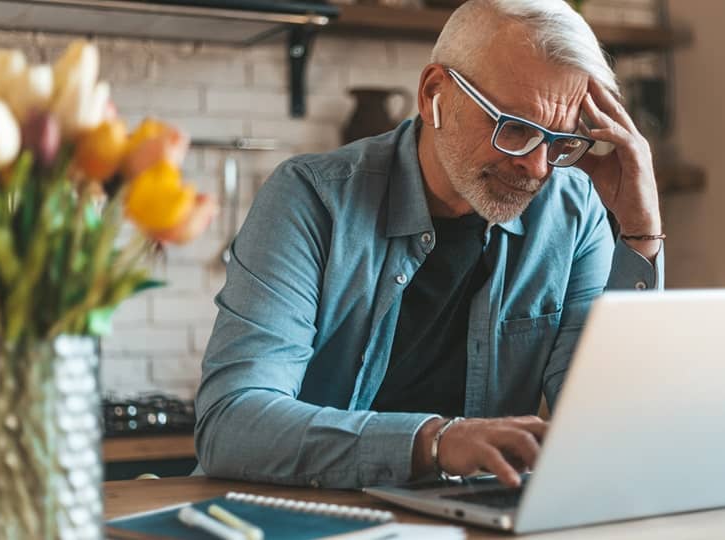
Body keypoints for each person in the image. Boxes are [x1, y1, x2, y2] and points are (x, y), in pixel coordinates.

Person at [195, 0, 664, 490]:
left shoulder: (573, 212)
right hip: (308, 517)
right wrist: (435, 442)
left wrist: (639, 230)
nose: (539, 167)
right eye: (516, 129)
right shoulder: (312, 199)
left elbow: (604, 427)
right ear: (434, 93)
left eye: (561, 140)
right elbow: (232, 422)